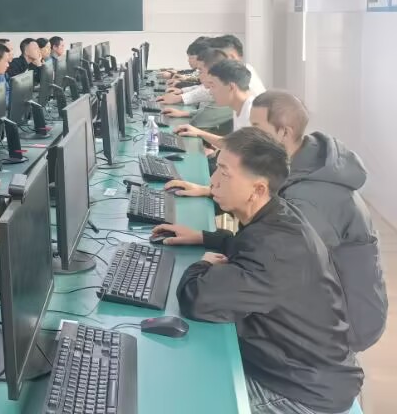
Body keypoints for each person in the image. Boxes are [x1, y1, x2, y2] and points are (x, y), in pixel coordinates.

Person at [155, 128, 363, 414]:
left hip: (302, 394)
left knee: (185, 398)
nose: (213, 181)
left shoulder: (274, 251)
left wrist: (203, 263)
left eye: (224, 173)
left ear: (258, 189)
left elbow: (196, 298)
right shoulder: (278, 214)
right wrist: (204, 237)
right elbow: (247, 246)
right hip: (307, 370)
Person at [250, 90, 387, 352]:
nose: (251, 137)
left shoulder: (308, 198)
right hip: (335, 302)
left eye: (257, 128)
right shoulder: (305, 163)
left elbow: (277, 262)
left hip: (345, 324)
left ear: (284, 132)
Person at [174, 60, 257, 149]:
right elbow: (235, 144)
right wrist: (199, 133)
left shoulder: (252, 113)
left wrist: (200, 134)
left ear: (231, 87)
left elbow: (243, 150)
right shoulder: (239, 106)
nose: (210, 92)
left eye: (213, 86)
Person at [160, 47, 228, 118]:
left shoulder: (223, 94)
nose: (198, 76)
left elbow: (206, 93)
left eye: (201, 71)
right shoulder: (219, 89)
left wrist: (180, 98)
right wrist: (186, 113)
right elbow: (210, 111)